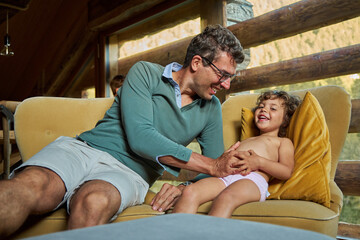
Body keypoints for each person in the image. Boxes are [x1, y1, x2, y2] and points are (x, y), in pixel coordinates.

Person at [0, 24, 245, 237]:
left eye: (230, 77)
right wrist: (212, 165)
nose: (226, 84)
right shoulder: (146, 73)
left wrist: (184, 187)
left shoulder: (211, 108)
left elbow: (215, 168)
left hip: (129, 173)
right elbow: (141, 137)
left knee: (94, 202)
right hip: (82, 150)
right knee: (30, 185)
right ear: (196, 62)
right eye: (223, 74)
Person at [170, 90, 301, 218]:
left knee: (226, 197)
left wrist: (259, 162)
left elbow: (286, 171)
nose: (264, 109)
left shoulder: (282, 142)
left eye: (273, 108)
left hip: (251, 181)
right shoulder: (247, 140)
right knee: (190, 191)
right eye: (261, 106)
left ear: (285, 120)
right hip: (225, 176)